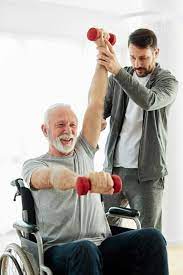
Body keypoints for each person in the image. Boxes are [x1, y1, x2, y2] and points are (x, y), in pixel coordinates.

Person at [22, 30, 169, 275]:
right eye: (60, 125)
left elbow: (96, 103)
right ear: (45, 129)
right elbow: (51, 178)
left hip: (102, 243)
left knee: (152, 238)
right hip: (61, 249)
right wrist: (82, 181)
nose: (68, 131)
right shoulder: (35, 165)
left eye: (72, 125)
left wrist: (103, 54)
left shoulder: (83, 150)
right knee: (84, 250)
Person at [97, 28, 178, 231]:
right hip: (112, 170)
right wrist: (99, 119)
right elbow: (102, 108)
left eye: (143, 58)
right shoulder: (118, 78)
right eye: (133, 57)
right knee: (102, 230)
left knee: (149, 236)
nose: (137, 64)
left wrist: (117, 71)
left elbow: (148, 100)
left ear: (156, 52)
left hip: (147, 176)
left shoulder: (168, 82)